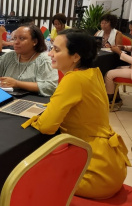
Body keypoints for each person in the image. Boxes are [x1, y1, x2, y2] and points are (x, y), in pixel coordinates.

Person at [22, 29, 130, 199]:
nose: (50, 53)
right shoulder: (93, 73)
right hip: (110, 165)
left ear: (75, 56)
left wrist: (37, 117)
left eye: (56, 50)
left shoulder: (73, 80)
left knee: (25, 176)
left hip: (93, 172)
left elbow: (47, 126)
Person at [0, 24, 58, 96]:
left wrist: (17, 83)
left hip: (33, 102)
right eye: (14, 38)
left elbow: (50, 87)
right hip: (5, 98)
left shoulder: (45, 60)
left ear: (35, 41)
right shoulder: (8, 57)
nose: (16, 42)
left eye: (22, 38)